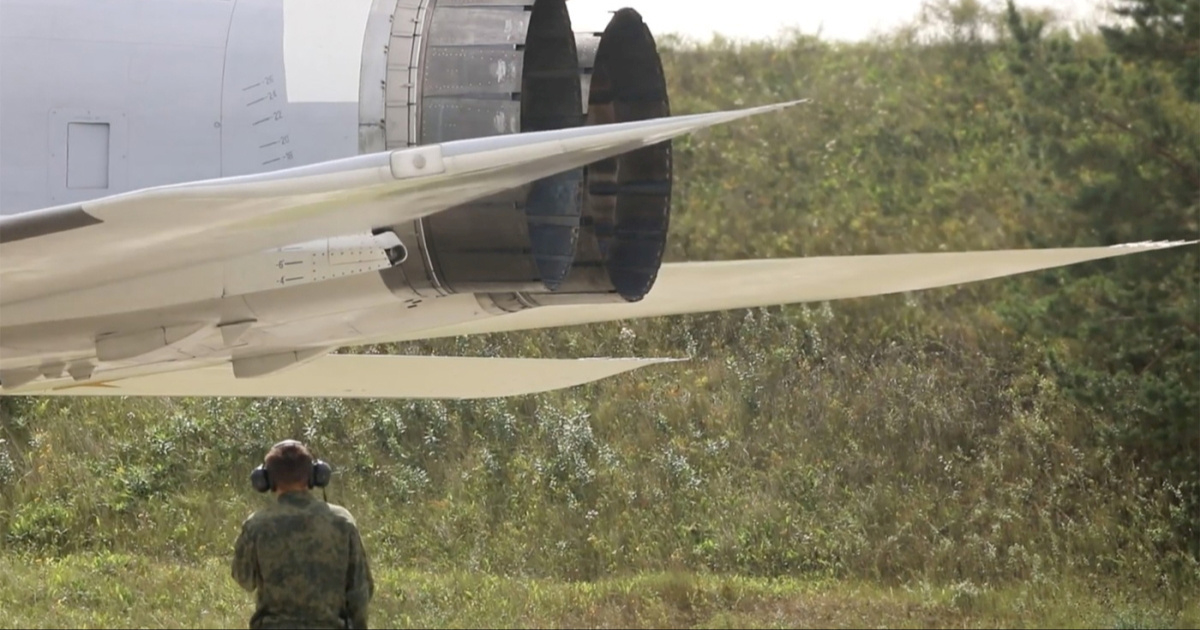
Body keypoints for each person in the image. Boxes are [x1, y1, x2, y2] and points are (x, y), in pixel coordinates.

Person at [232, 440, 375, 629]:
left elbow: (244, 579)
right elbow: (360, 589)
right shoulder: (342, 521)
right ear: (315, 476)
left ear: (266, 480)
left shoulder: (257, 525)